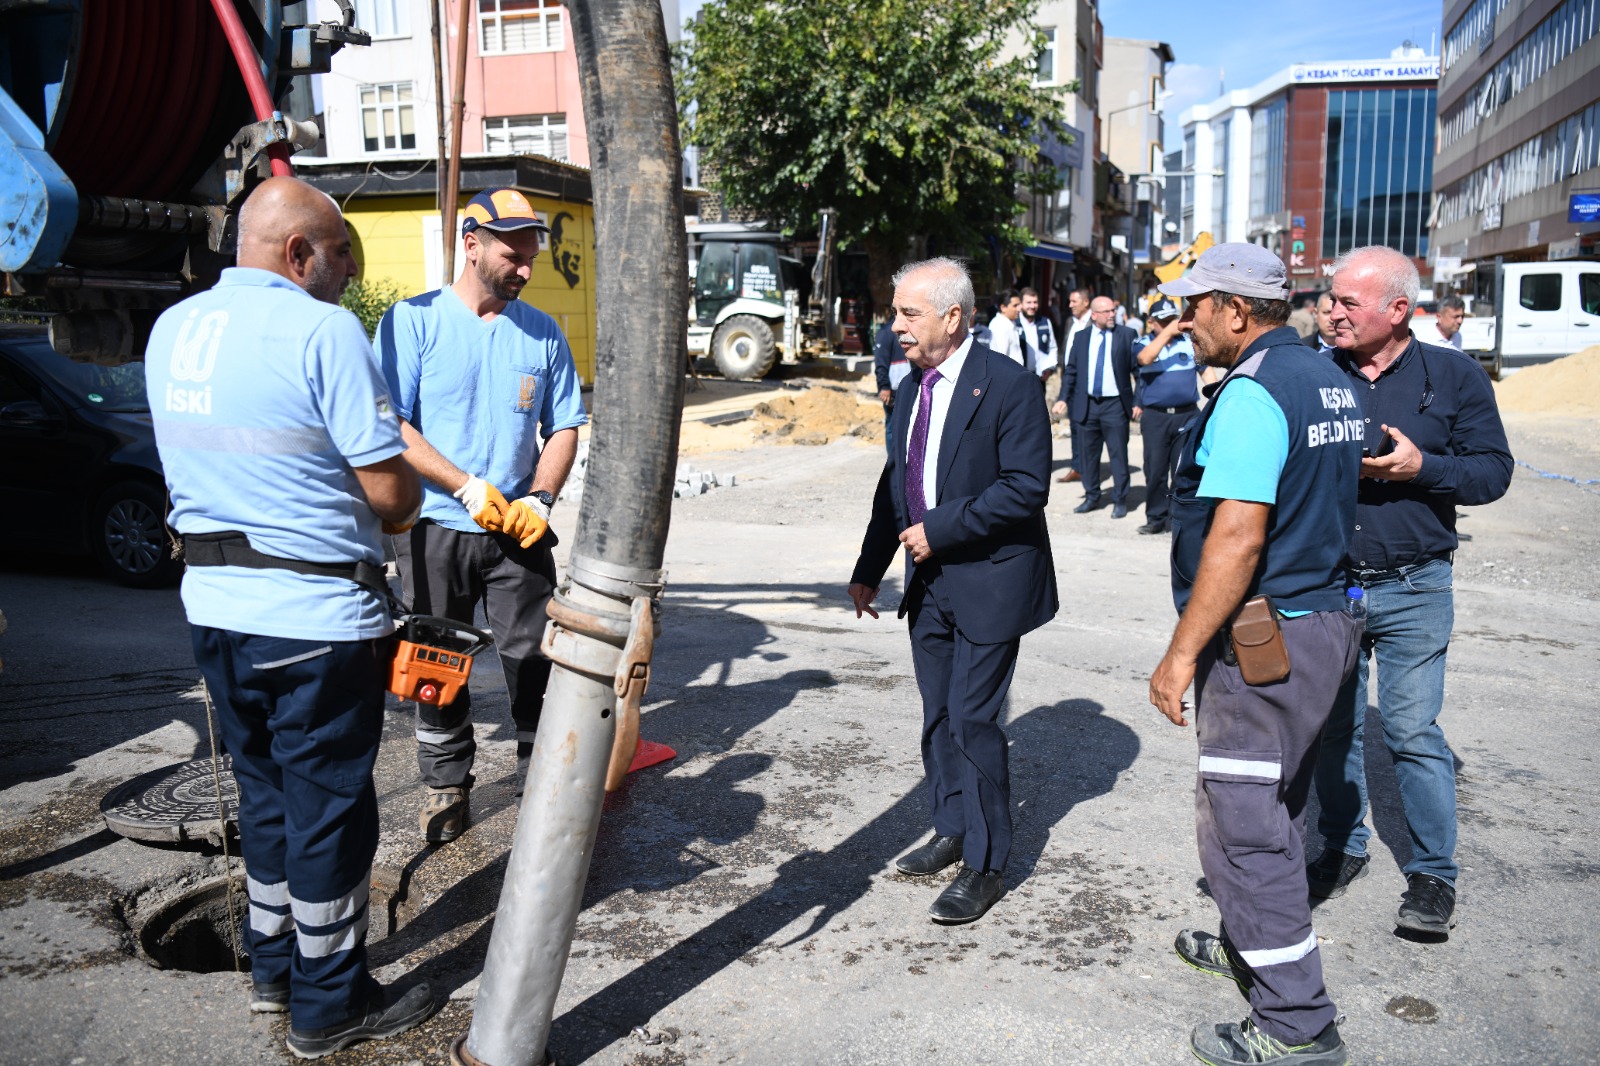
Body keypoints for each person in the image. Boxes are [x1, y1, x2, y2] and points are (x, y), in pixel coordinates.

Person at [146, 176, 434, 1058]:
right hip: (315, 621)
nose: (351, 271)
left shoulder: (173, 328)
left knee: (265, 794)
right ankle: (329, 1003)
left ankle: (272, 970)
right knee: (328, 812)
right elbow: (392, 495)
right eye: (342, 251)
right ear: (298, 252)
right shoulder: (322, 331)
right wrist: (406, 490)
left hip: (215, 613)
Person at [1147, 243, 1363, 1066]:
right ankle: (1253, 944)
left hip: (1265, 639)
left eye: (1194, 305)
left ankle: (1295, 1023)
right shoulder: (1324, 376)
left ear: (1236, 310)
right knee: (1281, 802)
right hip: (1324, 621)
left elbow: (1237, 540)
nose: (1184, 321)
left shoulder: (1255, 390)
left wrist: (1180, 655)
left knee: (1243, 827)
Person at [1309, 247, 1512, 936]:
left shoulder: (1454, 376)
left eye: (1348, 302)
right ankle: (1342, 846)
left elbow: (1493, 473)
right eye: (1331, 299)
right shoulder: (1315, 373)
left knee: (1411, 730)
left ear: (1397, 310)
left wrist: (1424, 467)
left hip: (1416, 585)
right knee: (1333, 726)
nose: (1333, 312)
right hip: (1331, 585)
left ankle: (1432, 874)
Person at [847, 257, 1056, 926]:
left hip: (991, 580)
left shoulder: (1010, 386)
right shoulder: (912, 385)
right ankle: (953, 827)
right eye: (896, 313)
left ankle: (987, 865)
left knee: (972, 720)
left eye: (909, 313)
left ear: (954, 317)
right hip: (927, 582)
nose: (896, 325)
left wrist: (940, 529)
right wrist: (870, 564)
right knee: (938, 715)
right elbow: (897, 482)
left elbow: (1026, 489)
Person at [378, 187, 589, 843]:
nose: (525, 269)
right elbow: (391, 425)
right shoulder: (412, 322)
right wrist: (466, 486)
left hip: (516, 528)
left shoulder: (542, 332)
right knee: (436, 661)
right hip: (434, 524)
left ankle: (539, 779)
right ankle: (446, 787)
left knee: (534, 654)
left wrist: (540, 497)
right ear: (471, 245)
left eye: (531, 257)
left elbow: (564, 426)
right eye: (512, 256)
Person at [1053, 296, 1138, 518]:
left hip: (1115, 405)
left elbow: (1138, 371)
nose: (1112, 314)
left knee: (1118, 454)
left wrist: (1138, 401)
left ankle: (1120, 499)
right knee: (1088, 455)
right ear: (1094, 315)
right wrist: (1063, 398)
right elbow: (1071, 371)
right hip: (1087, 404)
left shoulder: (1126, 335)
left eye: (1113, 310)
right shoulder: (1081, 337)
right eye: (1106, 311)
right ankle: (1092, 496)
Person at [1131, 297, 1199, 536]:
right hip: (1156, 417)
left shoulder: (1189, 343)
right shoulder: (1142, 343)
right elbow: (1144, 359)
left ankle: (1178, 518)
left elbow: (1207, 372)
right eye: (1164, 321)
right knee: (1155, 470)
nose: (1170, 325)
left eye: (1173, 320)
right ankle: (1156, 518)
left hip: (1186, 415)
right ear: (1151, 322)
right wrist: (1168, 332)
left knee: (1182, 471)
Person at [1057, 288, 1092, 483]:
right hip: (1070, 380)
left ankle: (1088, 468)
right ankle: (1077, 467)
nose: (1070, 305)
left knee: (1088, 428)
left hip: (1087, 383)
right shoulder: (1070, 322)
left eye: (1074, 301)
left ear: (1085, 302)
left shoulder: (1094, 322)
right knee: (1075, 425)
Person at [873, 309, 910, 457]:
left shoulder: (908, 330)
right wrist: (884, 386)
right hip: (894, 389)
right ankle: (894, 460)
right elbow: (880, 363)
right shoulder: (886, 333)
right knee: (892, 427)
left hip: (909, 386)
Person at [1018, 286, 1059, 385]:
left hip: (1039, 378)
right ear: (1021, 304)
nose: (1032, 306)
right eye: (1028, 302)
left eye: (1035, 302)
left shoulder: (1045, 322)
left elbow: (1052, 348)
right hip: (1019, 378)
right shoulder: (1014, 324)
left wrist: (1049, 368)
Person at [987, 289, 1025, 366]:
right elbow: (1000, 359)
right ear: (1003, 307)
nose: (1019, 309)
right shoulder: (1000, 326)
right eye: (1015, 306)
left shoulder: (1008, 323)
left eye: (1019, 305)